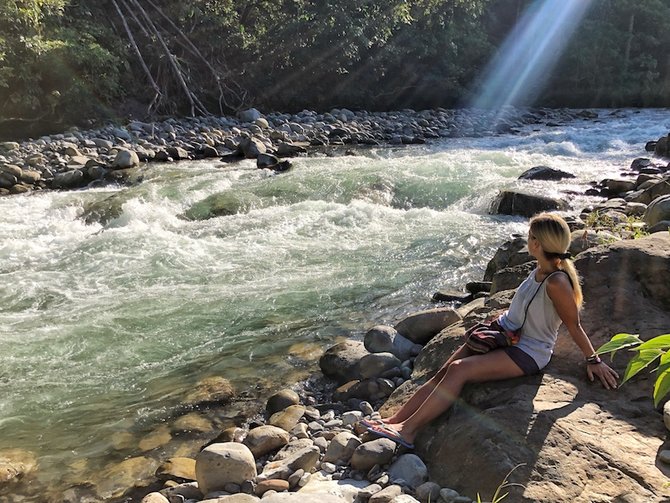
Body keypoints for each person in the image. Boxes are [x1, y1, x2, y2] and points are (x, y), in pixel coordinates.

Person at [364, 212, 619, 449]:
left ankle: (407, 431)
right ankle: (395, 420)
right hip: (505, 334)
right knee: (444, 370)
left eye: (529, 236)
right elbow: (526, 307)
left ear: (537, 243)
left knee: (458, 370)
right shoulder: (540, 269)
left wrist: (593, 359)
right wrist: (499, 319)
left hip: (528, 350)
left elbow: (573, 325)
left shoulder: (557, 281)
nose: (527, 240)